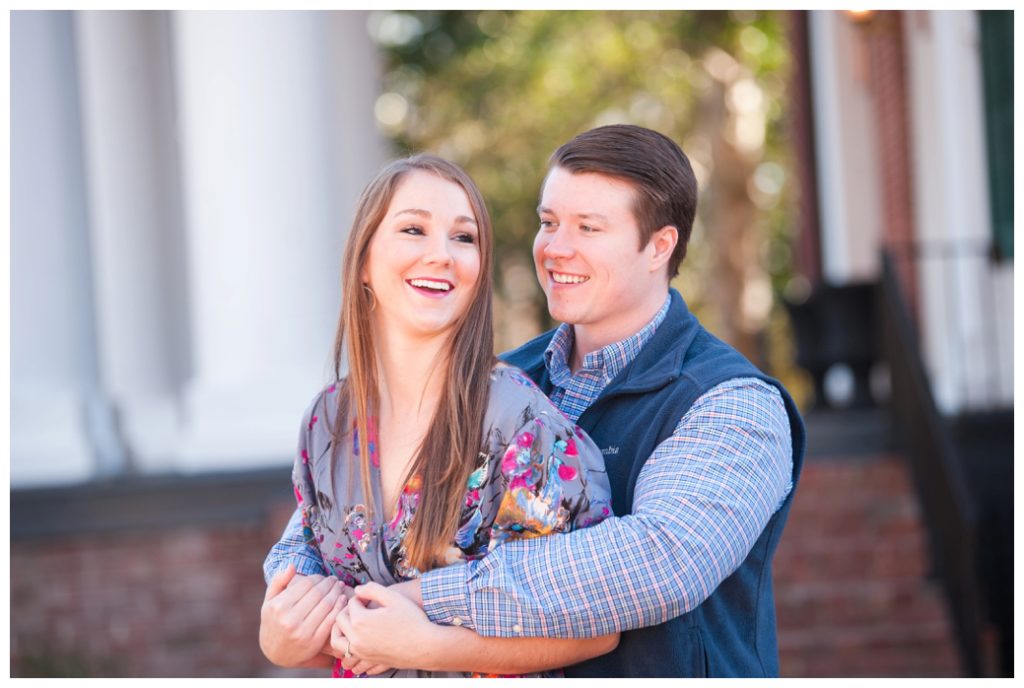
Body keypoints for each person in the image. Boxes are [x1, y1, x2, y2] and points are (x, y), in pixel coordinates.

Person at [265, 125, 806, 677]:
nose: (555, 248)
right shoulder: (493, 380)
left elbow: (658, 564)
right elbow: (329, 521)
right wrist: (287, 606)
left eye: (588, 228)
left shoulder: (731, 404)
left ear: (659, 246)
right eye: (549, 223)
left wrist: (422, 601)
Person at [258, 154, 617, 678]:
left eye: (464, 238)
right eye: (413, 229)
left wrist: (425, 645)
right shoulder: (327, 422)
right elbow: (321, 612)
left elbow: (594, 628)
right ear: (363, 260)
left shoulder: (520, 423)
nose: (442, 255)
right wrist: (282, 641)